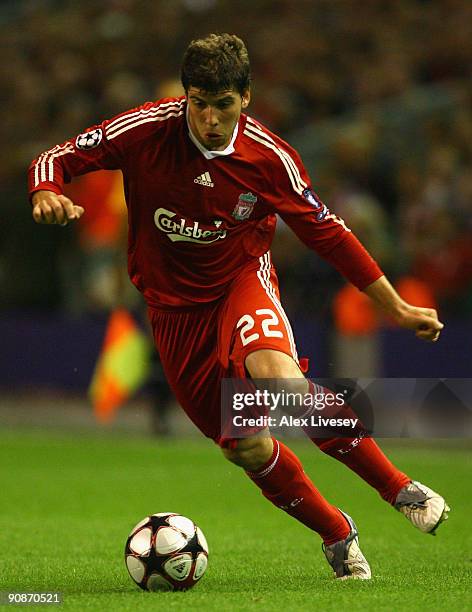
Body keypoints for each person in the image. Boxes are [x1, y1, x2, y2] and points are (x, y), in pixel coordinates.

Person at [28, 33, 449, 580]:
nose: (208, 119)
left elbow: (329, 234)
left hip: (240, 283)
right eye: (198, 103)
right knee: (247, 446)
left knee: (282, 383)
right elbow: (56, 158)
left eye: (221, 104)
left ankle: (399, 489)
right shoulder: (146, 130)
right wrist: (46, 191)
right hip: (173, 310)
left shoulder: (269, 157)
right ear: (185, 97)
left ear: (245, 98)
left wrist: (393, 305)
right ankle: (337, 533)